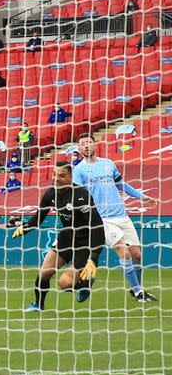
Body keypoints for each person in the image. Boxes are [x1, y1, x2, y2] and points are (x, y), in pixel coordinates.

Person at [73, 133, 158, 302]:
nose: (86, 146)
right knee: (124, 253)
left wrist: (141, 197)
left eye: (89, 142)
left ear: (95, 144)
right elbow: (77, 195)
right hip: (102, 219)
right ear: (79, 148)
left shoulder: (108, 164)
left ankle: (137, 290)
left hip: (122, 215)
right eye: (83, 144)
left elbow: (121, 184)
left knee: (137, 255)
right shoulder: (79, 170)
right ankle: (139, 292)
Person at [13, 161, 105, 311]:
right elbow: (39, 216)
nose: (56, 178)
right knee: (44, 273)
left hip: (85, 242)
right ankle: (38, 305)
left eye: (61, 176)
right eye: (55, 174)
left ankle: (85, 284)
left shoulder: (81, 195)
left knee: (64, 284)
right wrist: (26, 227)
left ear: (70, 177)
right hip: (66, 237)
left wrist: (93, 257)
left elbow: (97, 226)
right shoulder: (51, 193)